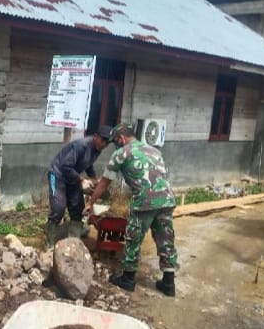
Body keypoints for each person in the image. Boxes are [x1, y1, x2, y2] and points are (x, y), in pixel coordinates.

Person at [85, 122, 178, 296]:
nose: (114, 145)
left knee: (133, 238)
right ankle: (168, 282)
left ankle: (127, 279)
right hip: (166, 199)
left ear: (121, 138)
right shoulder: (155, 151)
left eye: (115, 142)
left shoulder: (121, 154)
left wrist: (91, 202)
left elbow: (104, 183)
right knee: (165, 238)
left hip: (145, 202)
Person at [45, 125, 113, 249]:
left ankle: (73, 244)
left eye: (107, 142)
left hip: (72, 178)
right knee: (58, 208)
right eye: (103, 140)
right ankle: (49, 244)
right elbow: (65, 166)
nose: (105, 144)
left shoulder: (97, 149)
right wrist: (81, 179)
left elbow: (88, 164)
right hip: (57, 175)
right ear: (96, 137)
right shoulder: (81, 146)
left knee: (77, 209)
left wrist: (93, 178)